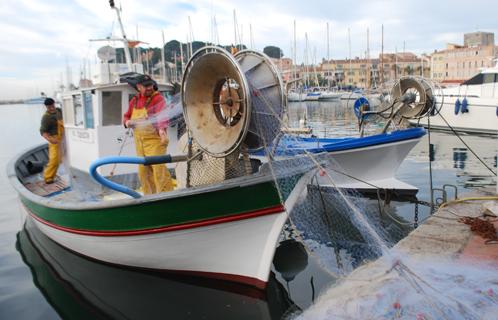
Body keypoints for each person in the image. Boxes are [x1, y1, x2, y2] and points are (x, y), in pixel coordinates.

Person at [123, 75, 174, 194]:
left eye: (150, 85)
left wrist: (162, 130)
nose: (150, 88)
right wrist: (127, 122)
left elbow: (162, 115)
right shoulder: (134, 100)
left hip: (155, 141)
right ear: (138, 87)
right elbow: (126, 116)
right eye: (146, 86)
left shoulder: (157, 99)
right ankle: (149, 197)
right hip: (139, 143)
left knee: (158, 169)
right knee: (143, 171)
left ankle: (166, 196)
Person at [39, 98, 64, 184]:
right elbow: (43, 132)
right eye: (49, 107)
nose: (52, 108)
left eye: (52, 106)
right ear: (46, 107)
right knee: (54, 160)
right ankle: (48, 177)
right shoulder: (46, 118)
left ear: (54, 104)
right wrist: (51, 139)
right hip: (55, 139)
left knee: (66, 157)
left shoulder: (59, 111)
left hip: (64, 137)